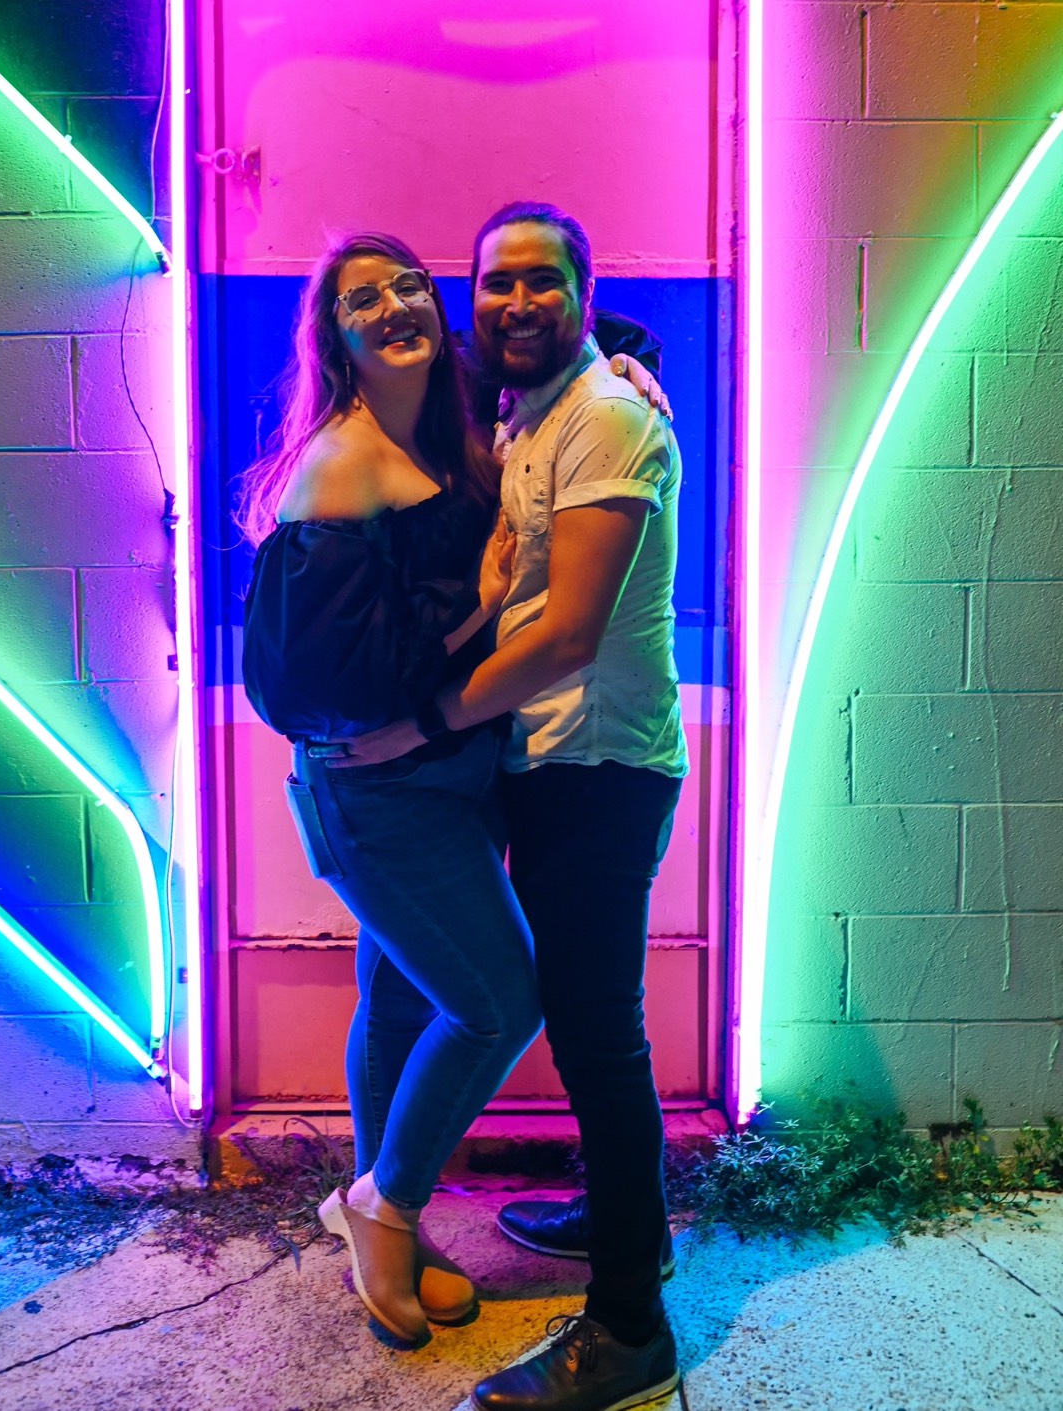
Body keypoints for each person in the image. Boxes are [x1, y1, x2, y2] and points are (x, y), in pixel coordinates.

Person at [336, 203, 689, 1411]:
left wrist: (422, 725)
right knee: (443, 986)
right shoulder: (521, 402)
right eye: (495, 287)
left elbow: (571, 635)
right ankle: (605, 1215)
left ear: (583, 290)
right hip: (531, 765)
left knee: (594, 1028)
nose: (515, 306)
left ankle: (633, 1332)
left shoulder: (609, 416)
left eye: (543, 284)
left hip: (594, 767)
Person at [238, 231, 543, 1351]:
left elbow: (577, 336)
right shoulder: (343, 461)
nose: (397, 305)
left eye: (411, 283)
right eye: (365, 299)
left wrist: (632, 363)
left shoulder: (453, 414)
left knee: (408, 1001)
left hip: (447, 779)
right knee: (501, 1003)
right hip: (380, 795)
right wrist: (486, 600)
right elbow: (333, 680)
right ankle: (385, 1204)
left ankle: (381, 1219)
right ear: (338, 336)